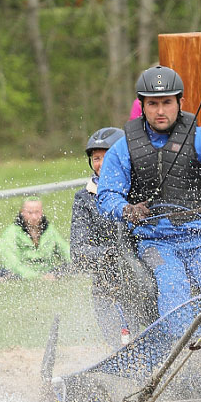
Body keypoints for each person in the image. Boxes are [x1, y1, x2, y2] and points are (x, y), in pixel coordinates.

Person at [97, 66, 201, 335]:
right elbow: (107, 195)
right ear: (142, 105)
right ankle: (183, 352)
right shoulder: (122, 148)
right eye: (153, 103)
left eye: (167, 103)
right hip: (154, 242)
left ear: (179, 103)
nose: (160, 111)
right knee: (173, 288)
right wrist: (125, 209)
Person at [71, 127, 159, 347]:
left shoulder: (142, 190)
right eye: (97, 158)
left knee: (156, 335)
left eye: (108, 156)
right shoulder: (84, 198)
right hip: (109, 286)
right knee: (120, 344)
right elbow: (78, 250)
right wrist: (110, 255)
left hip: (148, 276)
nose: (101, 164)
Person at [0, 198, 70, 279]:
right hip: (20, 276)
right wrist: (38, 277)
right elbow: (13, 264)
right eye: (30, 212)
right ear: (22, 212)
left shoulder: (50, 230)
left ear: (42, 212)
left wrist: (77, 262)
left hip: (47, 273)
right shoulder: (11, 233)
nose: (34, 217)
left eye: (37, 212)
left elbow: (65, 251)